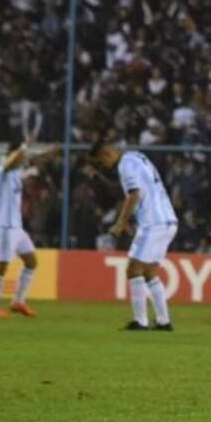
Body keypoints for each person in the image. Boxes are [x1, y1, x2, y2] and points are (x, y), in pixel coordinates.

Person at [88, 142, 178, 331]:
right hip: (168, 219)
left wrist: (121, 222)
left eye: (101, 162)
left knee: (133, 269)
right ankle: (164, 321)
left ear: (107, 153)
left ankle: (141, 321)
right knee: (149, 272)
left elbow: (134, 195)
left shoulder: (125, 165)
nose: (103, 166)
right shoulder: (137, 156)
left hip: (153, 222)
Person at [0, 138, 59, 318]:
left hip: (16, 227)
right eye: (21, 156)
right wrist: (24, 146)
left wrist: (49, 152)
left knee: (31, 262)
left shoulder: (16, 172)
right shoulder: (1, 171)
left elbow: (33, 159)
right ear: (12, 154)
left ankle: (18, 301)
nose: (24, 160)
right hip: (4, 226)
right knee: (1, 266)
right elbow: (13, 161)